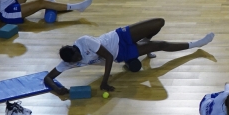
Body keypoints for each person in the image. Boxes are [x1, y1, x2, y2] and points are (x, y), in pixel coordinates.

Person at [43, 18, 214, 95]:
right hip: (122, 54)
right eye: (75, 63)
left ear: (75, 50)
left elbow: (108, 57)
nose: (78, 62)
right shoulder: (69, 61)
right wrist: (58, 90)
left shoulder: (84, 41)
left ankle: (145, 43)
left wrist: (104, 81)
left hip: (119, 37)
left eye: (77, 58)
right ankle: (197, 44)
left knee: (158, 22)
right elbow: (48, 78)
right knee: (161, 46)